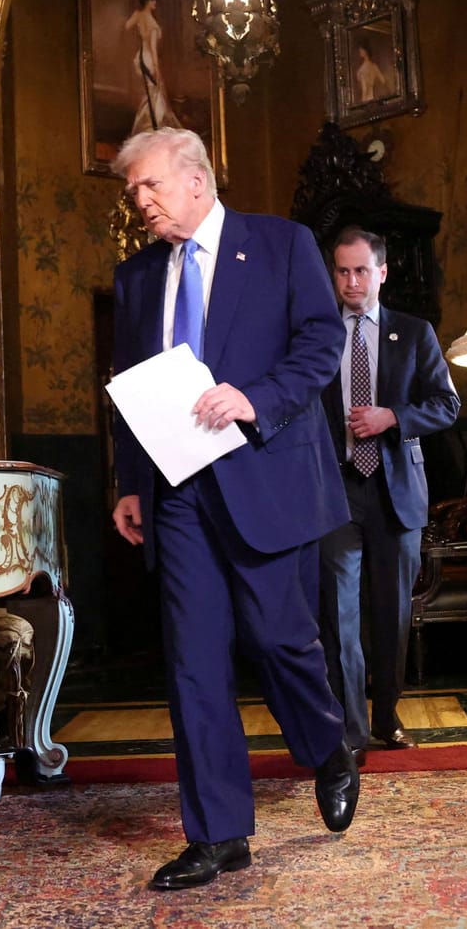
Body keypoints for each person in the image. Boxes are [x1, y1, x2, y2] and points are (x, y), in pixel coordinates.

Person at [109, 127, 359, 892]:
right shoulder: (137, 278)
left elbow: (321, 347)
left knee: (281, 638)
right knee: (194, 662)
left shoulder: (282, 246)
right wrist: (128, 481)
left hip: (264, 473)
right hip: (178, 492)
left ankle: (329, 745)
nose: (140, 203)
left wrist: (257, 401)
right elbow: (127, 385)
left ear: (195, 180)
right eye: (133, 194)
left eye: (149, 187)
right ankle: (219, 835)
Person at [320, 227, 460, 762]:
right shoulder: (317, 334)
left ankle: (387, 717)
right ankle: (350, 731)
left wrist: (393, 417)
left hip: (395, 489)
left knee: (392, 614)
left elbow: (446, 405)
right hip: (334, 491)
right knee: (340, 616)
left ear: (382, 272)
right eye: (342, 271)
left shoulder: (414, 331)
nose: (351, 282)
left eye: (361, 270)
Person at [124, 0, 178, 136]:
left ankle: (146, 128)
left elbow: (126, 26)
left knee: (150, 95)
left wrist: (140, 33)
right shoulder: (153, 25)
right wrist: (158, 71)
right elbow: (153, 51)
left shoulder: (138, 15)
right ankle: (147, 129)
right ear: (148, 1)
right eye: (153, 0)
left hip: (139, 58)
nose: (155, 3)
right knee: (154, 95)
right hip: (148, 60)